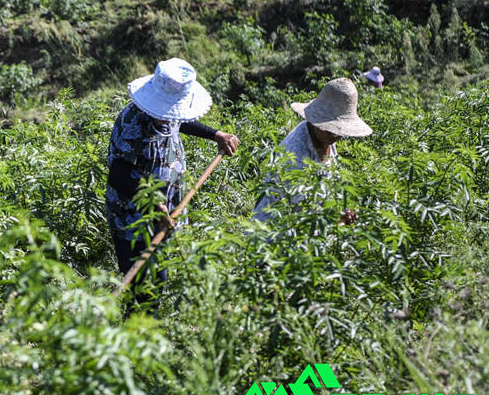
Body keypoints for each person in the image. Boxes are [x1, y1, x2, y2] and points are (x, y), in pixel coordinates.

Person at [106, 57, 239, 307]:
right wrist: (152, 203)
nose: (169, 115)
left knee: (159, 279)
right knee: (141, 289)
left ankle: (149, 321)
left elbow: (181, 119)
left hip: (165, 212)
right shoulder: (132, 122)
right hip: (133, 217)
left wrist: (216, 135)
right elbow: (118, 174)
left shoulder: (168, 113)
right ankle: (136, 325)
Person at [252, 77, 372, 223]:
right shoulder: (295, 153)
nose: (336, 135)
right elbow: (302, 214)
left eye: (339, 130)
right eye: (331, 128)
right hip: (273, 231)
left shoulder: (325, 138)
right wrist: (336, 219)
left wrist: (341, 211)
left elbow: (325, 190)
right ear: (318, 121)